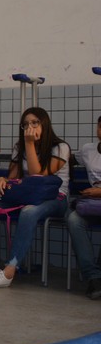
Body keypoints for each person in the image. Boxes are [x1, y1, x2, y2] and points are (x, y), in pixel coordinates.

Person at [0, 107, 70, 288]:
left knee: (28, 212)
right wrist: (2, 180)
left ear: (44, 124)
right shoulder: (19, 147)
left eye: (35, 123)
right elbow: (13, 176)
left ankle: (9, 271)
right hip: (25, 195)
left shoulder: (60, 147)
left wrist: (29, 144)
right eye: (26, 124)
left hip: (55, 199)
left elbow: (37, 175)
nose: (30, 127)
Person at [66, 115, 101, 300]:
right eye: (100, 127)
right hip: (93, 205)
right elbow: (68, 159)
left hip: (96, 198)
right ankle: (93, 277)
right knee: (73, 219)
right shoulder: (88, 150)